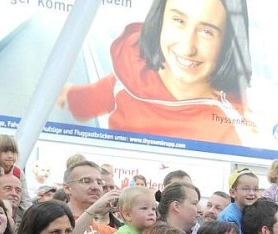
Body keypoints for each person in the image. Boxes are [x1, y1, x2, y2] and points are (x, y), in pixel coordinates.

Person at [59, 0, 254, 145]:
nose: (187, 48)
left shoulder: (236, 126)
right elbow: (82, 101)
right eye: (178, 20)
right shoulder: (132, 73)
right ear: (159, 20)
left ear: (229, 42)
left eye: (207, 32)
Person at [64, 161, 121, 234]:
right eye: (86, 181)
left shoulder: (110, 232)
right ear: (67, 188)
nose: (95, 187)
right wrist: (94, 208)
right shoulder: (54, 223)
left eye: (99, 183)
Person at [219, 168, 266, 234]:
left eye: (255, 189)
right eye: (246, 189)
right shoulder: (228, 216)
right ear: (233, 193)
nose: (252, 193)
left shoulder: (253, 211)